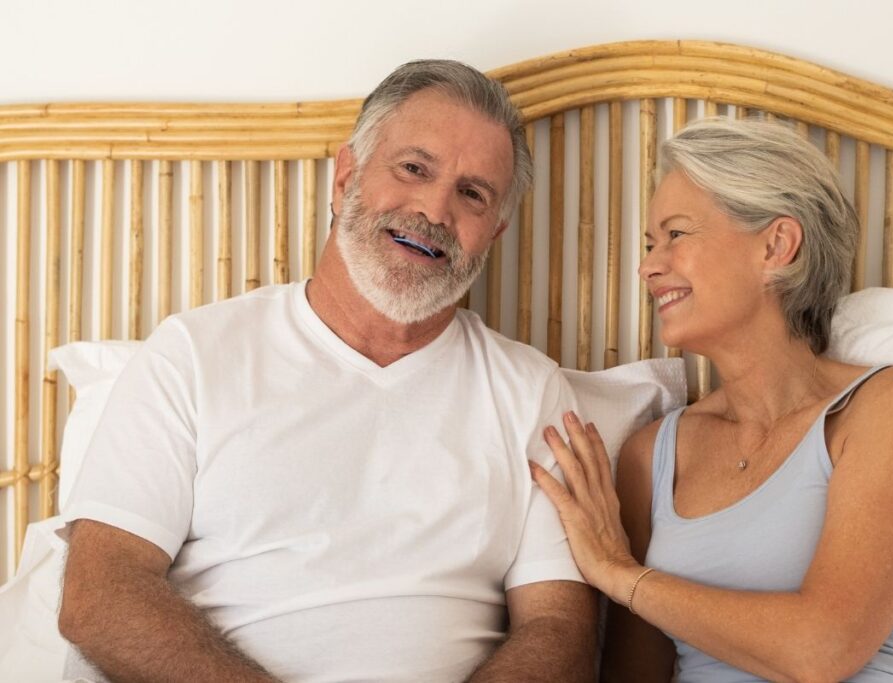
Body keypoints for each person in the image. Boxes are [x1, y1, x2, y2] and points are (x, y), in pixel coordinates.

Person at [58, 60, 597, 682]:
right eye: (414, 168)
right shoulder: (196, 353)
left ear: (494, 230)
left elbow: (558, 627)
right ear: (346, 178)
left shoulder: (532, 392)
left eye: (472, 193)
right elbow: (100, 593)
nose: (434, 208)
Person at [531, 118, 893, 682]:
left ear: (776, 246)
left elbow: (823, 649)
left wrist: (620, 574)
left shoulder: (891, 405)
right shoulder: (651, 455)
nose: (649, 266)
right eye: (651, 244)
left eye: (676, 235)